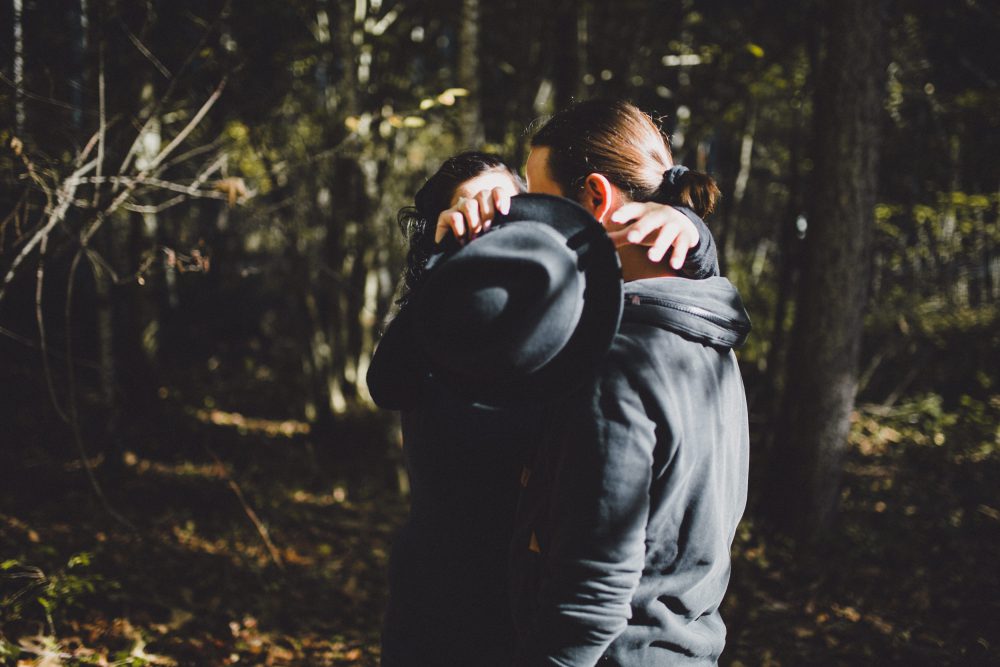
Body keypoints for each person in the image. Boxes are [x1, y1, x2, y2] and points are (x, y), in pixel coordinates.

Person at [368, 150, 720, 666]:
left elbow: (672, 299)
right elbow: (389, 383)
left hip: (534, 611)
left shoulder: (566, 319)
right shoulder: (446, 335)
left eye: (507, 205)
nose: (492, 219)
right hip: (436, 609)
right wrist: (445, 262)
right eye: (474, 209)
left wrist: (694, 233)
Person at [506, 100, 752, 666]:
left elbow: (593, 588)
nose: (530, 222)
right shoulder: (704, 330)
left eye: (540, 201)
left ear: (595, 196)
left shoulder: (619, 361)